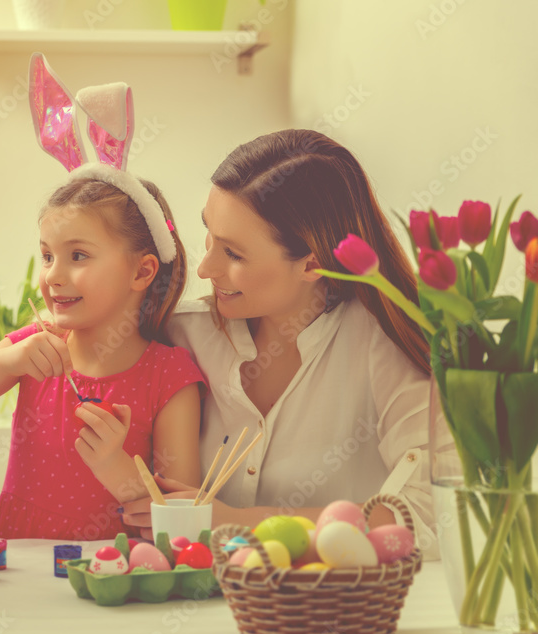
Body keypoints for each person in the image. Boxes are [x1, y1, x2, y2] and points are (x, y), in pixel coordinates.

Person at [122, 129, 438, 555]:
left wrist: (236, 522)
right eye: (209, 235)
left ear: (314, 263)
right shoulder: (180, 333)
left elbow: (428, 514)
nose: (204, 268)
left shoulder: (382, 343)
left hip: (330, 612)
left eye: (233, 254)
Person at [0, 173, 206, 541]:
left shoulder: (169, 377)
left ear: (142, 271)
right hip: (20, 565)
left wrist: (112, 465)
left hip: (113, 574)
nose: (52, 275)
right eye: (47, 256)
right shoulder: (33, 347)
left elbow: (179, 526)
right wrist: (5, 361)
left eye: (78, 256)